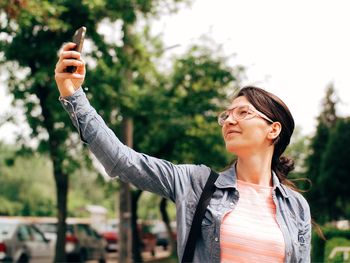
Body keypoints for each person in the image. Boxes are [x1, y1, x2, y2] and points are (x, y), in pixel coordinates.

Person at [55, 42, 311, 263]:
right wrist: (72, 94)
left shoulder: (296, 207)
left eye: (243, 113)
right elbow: (123, 161)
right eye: (227, 114)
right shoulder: (196, 184)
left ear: (273, 130)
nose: (230, 120)